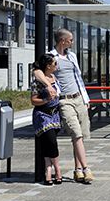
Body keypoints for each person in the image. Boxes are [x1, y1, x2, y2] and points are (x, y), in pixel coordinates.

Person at [33, 28, 94, 184]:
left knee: (81, 136)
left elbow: (78, 78)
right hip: (64, 101)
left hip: (79, 98)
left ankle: (78, 170)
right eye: (70, 40)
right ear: (63, 41)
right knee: (76, 133)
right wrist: (49, 86)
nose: (72, 42)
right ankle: (86, 169)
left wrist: (86, 99)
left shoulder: (72, 56)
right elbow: (37, 72)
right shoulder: (52, 57)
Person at [31, 54, 63, 185]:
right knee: (51, 141)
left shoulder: (54, 78)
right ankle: (57, 169)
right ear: (48, 66)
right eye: (54, 64)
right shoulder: (38, 81)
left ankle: (48, 171)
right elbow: (33, 100)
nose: (56, 66)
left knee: (48, 144)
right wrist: (45, 99)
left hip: (55, 115)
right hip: (43, 115)